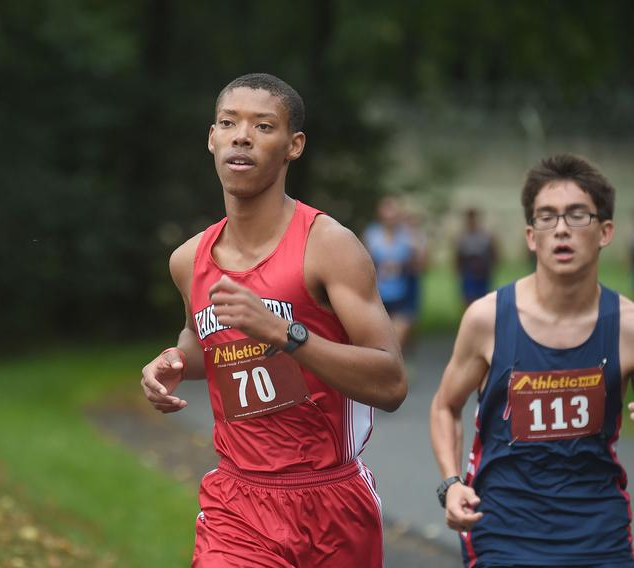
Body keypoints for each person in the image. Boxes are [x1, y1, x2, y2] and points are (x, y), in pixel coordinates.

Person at [140, 73, 407, 567]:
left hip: (333, 501)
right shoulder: (188, 260)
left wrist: (286, 335)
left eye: (263, 126)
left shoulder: (328, 246)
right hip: (237, 503)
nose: (242, 135)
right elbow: (202, 339)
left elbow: (390, 383)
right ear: (212, 138)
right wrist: (174, 361)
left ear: (294, 145)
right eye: (229, 123)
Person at [429, 154, 634, 567]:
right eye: (547, 217)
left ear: (605, 231)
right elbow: (445, 406)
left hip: (600, 531)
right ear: (529, 235)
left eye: (577, 216)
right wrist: (451, 483)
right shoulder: (488, 319)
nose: (561, 229)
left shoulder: (628, 326)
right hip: (504, 528)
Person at [363, 196, 422, 348]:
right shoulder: (372, 234)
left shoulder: (408, 235)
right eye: (386, 212)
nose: (390, 217)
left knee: (397, 342)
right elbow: (362, 264)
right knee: (380, 344)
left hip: (403, 296)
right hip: (378, 296)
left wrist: (411, 256)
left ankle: (400, 365)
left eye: (393, 213)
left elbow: (421, 265)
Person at [455, 207, 498, 308]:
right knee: (468, 299)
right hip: (468, 270)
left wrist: (491, 267)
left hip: (482, 270)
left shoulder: (486, 235)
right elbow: (458, 256)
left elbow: (493, 252)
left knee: (485, 299)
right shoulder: (462, 236)